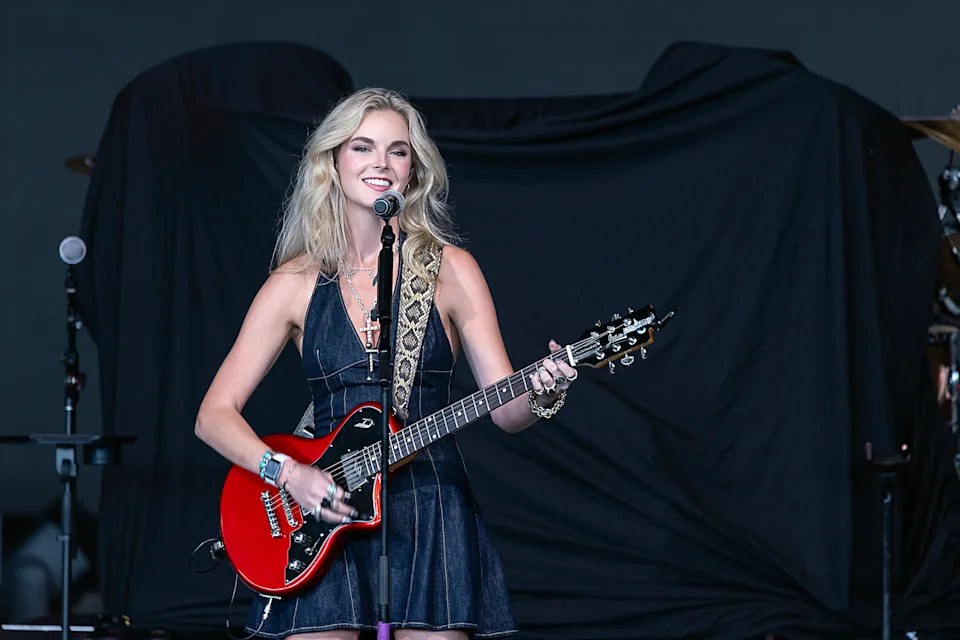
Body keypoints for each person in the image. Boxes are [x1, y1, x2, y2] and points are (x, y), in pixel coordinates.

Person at [195, 87, 577, 640]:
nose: (381, 163)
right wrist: (290, 475)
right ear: (333, 161)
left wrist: (543, 391)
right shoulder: (293, 283)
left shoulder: (452, 269)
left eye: (398, 151)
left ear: (413, 169)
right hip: (322, 504)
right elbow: (214, 415)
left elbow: (506, 410)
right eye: (363, 147)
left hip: (430, 502)